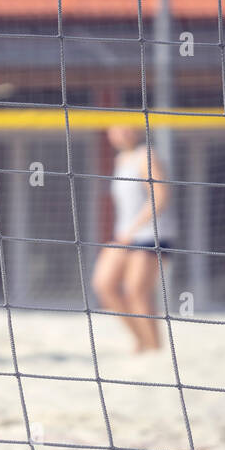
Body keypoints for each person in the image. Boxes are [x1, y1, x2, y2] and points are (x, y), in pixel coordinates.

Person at [92, 124, 175, 353]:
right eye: (117, 129)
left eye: (127, 128)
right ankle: (142, 340)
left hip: (151, 235)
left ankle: (154, 348)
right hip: (124, 236)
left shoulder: (147, 155)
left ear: (136, 131)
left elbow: (160, 197)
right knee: (104, 284)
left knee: (136, 290)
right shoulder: (120, 160)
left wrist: (133, 228)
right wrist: (125, 231)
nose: (122, 133)